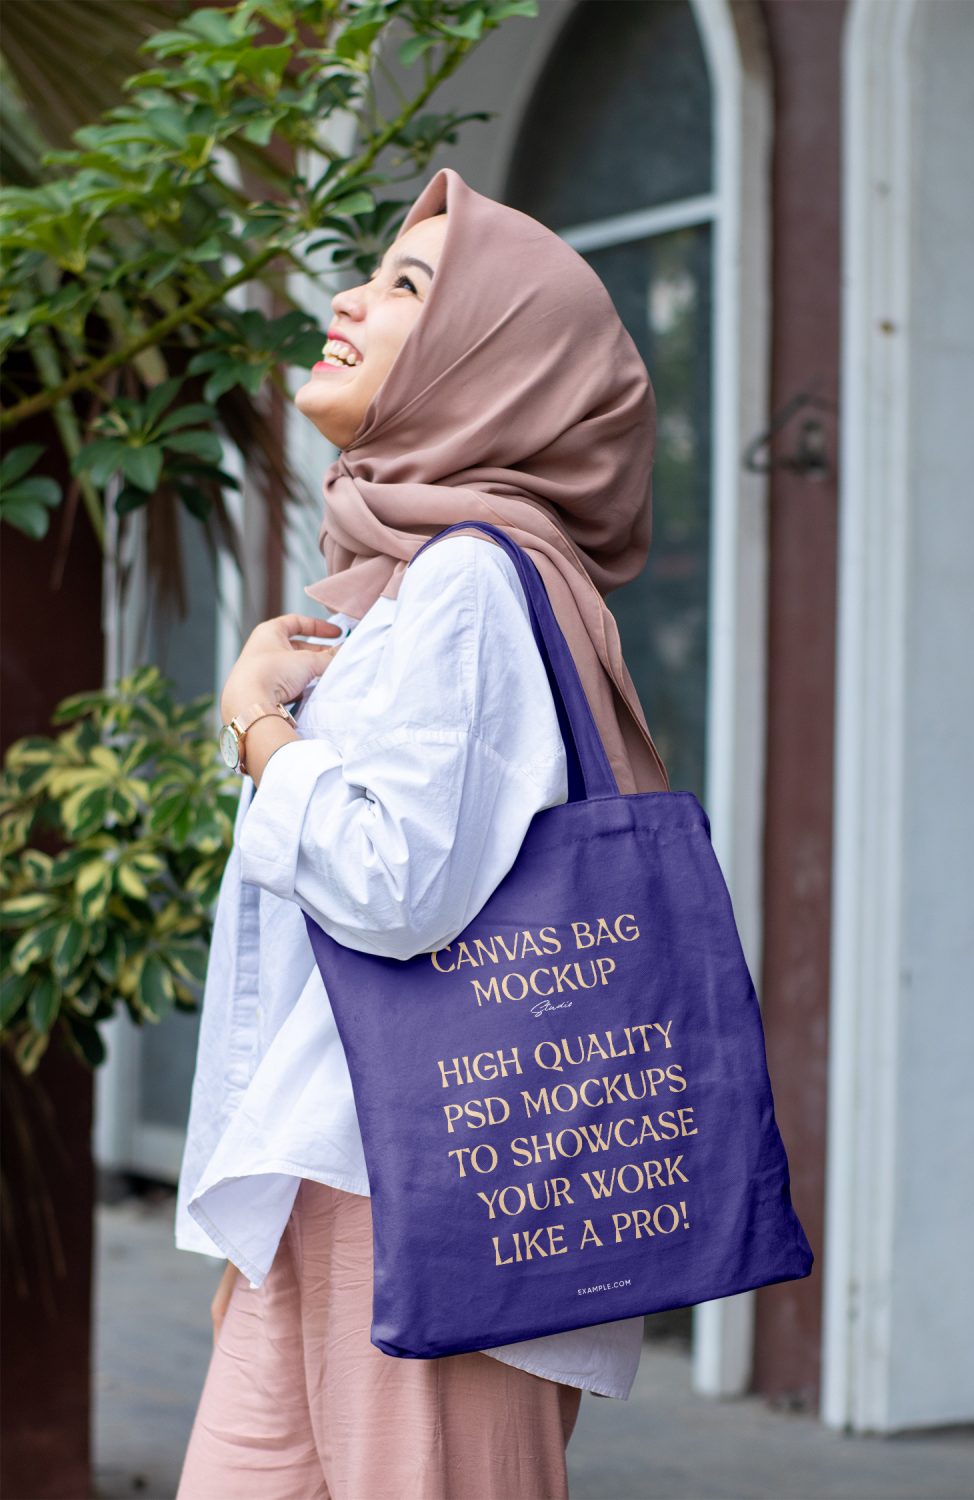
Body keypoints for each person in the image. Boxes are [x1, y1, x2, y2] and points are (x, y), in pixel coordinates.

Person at [174, 166, 670, 1500]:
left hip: (438, 1196)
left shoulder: (471, 581)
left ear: (488, 361)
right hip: (339, 1177)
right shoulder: (400, 586)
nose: (350, 295)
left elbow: (393, 888)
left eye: (408, 286)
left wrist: (256, 728)